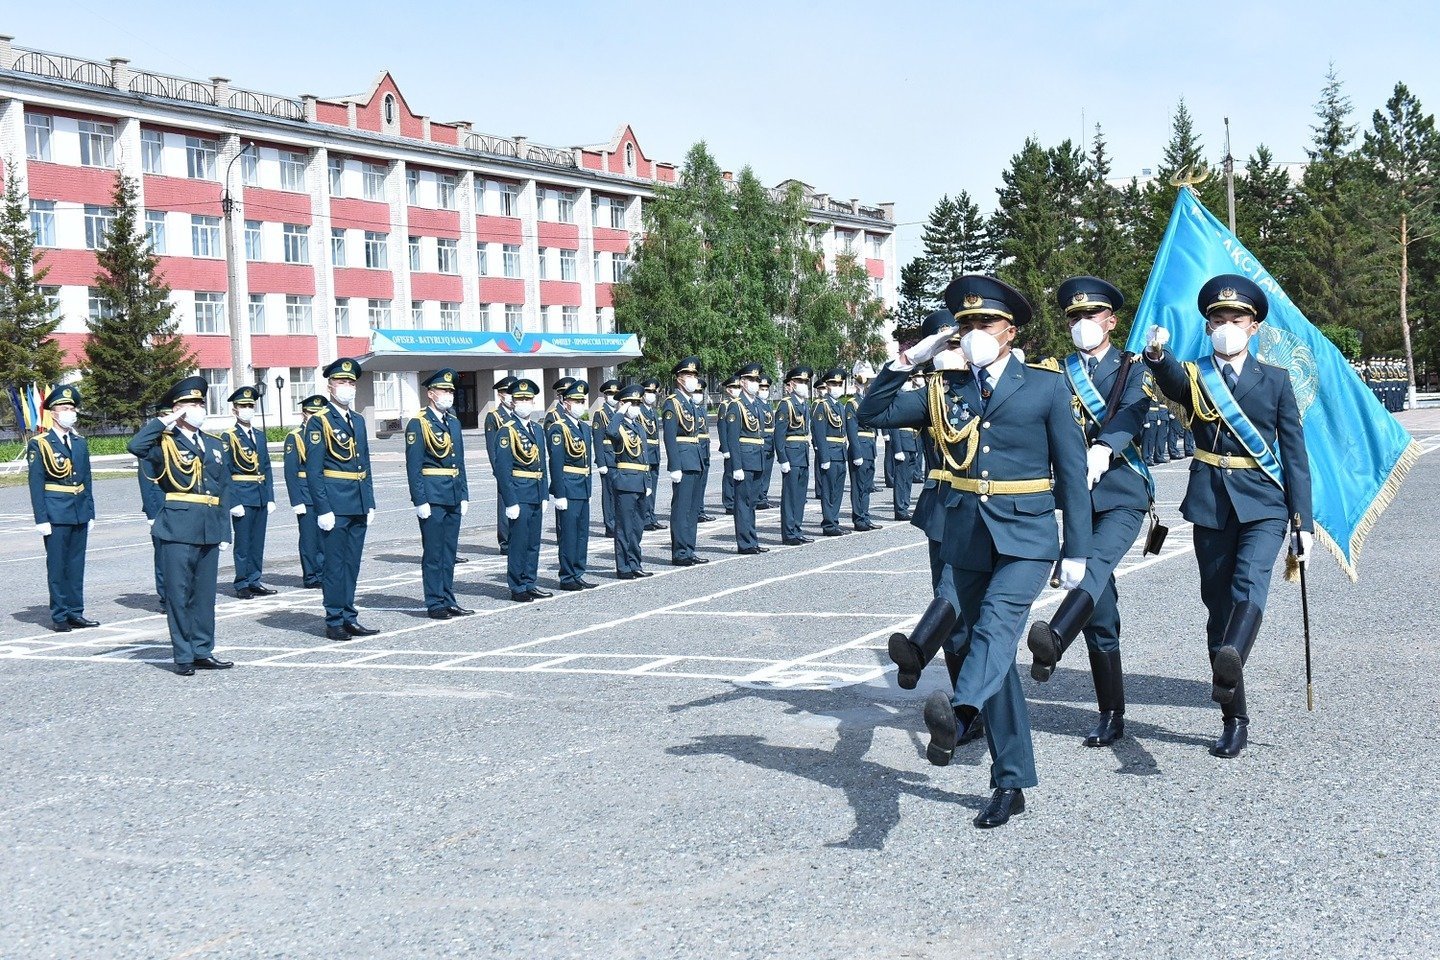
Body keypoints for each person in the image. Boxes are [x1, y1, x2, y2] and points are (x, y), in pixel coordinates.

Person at [860, 277, 1091, 828]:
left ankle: (960, 712)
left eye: (984, 323)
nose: (972, 334)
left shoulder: (1045, 387)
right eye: (964, 325)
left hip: (1027, 540)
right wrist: (911, 359)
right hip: (966, 538)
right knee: (990, 655)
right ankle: (1011, 779)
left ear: (1010, 331)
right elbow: (872, 414)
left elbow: (1075, 474)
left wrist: (1077, 548)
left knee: (995, 629)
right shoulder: (946, 390)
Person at [1143, 273, 1312, 758]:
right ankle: (1232, 713)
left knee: (1249, 585)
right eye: (1217, 318)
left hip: (1264, 502)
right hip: (1211, 501)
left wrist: (1304, 521)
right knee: (1216, 601)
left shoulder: (1276, 380)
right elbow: (1173, 382)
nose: (1225, 325)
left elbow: (1294, 454)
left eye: (1235, 317)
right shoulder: (1196, 373)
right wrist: (1157, 356)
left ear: (1253, 326)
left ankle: (1230, 666)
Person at [1025, 277, 1154, 747]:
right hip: (1077, 499)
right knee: (1100, 609)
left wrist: (1105, 447)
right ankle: (1112, 712)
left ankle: (1056, 636)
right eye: (1074, 318)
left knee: (1092, 566)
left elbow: (1135, 413)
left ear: (1111, 322)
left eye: (1091, 316)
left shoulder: (1132, 368)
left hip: (1121, 493)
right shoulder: (1054, 373)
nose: (1082, 324)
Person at [127, 376, 234, 675]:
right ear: (177, 409)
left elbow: (224, 488)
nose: (197, 408)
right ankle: (183, 655)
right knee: (179, 593)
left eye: (200, 403)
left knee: (204, 596)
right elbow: (135, 446)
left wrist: (225, 530)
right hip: (177, 526)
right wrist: (164, 422)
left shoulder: (214, 444)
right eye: (190, 403)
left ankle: (203, 650)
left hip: (209, 526)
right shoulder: (164, 443)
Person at [305, 357, 379, 641]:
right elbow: (314, 471)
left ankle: (349, 615)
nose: (347, 387)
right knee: (334, 565)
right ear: (330, 385)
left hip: (358, 503)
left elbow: (365, 463)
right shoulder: (319, 422)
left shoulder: (358, 421)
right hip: (335, 505)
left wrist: (369, 500)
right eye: (341, 382)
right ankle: (334, 618)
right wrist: (322, 509)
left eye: (351, 382)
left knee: (352, 564)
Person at [28, 384, 98, 633]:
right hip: (56, 512)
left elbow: (86, 479)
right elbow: (36, 483)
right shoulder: (41, 443)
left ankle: (75, 612)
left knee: (76, 564)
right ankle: (59, 615)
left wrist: (90, 511)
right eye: (65, 408)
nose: (70, 412)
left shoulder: (80, 442)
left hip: (78, 510)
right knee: (58, 565)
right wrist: (41, 518)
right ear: (54, 413)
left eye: (72, 408)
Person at [406, 369, 474, 619]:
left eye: (451, 391)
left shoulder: (453, 422)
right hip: (433, 497)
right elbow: (413, 466)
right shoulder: (419, 423)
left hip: (453, 494)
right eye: (444, 391)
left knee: (448, 552)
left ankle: (448, 597)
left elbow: (460, 461)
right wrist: (419, 499)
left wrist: (464, 493)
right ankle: (435, 602)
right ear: (431, 394)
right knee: (434, 553)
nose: (449, 395)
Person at [495, 378, 550, 602]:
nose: (524, 403)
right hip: (519, 493)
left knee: (533, 542)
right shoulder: (507, 431)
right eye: (520, 399)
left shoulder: (537, 429)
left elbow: (542, 464)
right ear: (513, 401)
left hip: (536, 491)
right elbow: (503, 469)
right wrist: (510, 501)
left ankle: (530, 581)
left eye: (528, 399)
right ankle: (517, 586)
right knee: (518, 543)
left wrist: (545, 493)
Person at [222, 386, 277, 599]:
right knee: (243, 543)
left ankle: (255, 579)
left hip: (260, 494)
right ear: (234, 410)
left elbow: (267, 467)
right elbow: (225, 472)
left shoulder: (260, 436)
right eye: (243, 406)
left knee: (257, 541)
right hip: (242, 494)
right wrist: (232, 501)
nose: (247, 409)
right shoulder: (228, 437)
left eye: (250, 406)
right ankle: (242, 582)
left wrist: (270, 496)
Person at [547, 379, 598, 590]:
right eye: (575, 401)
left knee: (581, 534)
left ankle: (578, 572)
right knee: (568, 535)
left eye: (581, 400)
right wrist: (559, 493)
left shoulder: (584, 428)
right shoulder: (558, 428)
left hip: (582, 487)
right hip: (568, 487)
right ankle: (567, 576)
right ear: (565, 403)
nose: (579, 405)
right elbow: (556, 462)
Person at [663, 357, 710, 566]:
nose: (693, 379)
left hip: (695, 458)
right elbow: (670, 436)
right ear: (679, 379)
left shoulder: (690, 402)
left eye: (694, 376)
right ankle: (680, 552)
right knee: (682, 509)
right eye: (689, 376)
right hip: (683, 460)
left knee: (692, 509)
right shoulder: (672, 403)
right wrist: (674, 466)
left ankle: (689, 549)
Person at [605, 383, 654, 579]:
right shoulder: (619, 426)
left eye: (637, 403)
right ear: (624, 404)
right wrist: (619, 412)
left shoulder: (639, 427)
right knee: (624, 528)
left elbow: (645, 458)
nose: (636, 406)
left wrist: (648, 482)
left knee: (637, 528)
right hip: (625, 482)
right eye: (631, 403)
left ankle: (635, 563)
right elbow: (610, 432)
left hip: (641, 481)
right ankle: (624, 567)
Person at [723, 363, 770, 554]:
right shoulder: (736, 405)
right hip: (744, 459)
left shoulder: (757, 404)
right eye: (751, 380)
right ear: (742, 382)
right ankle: (744, 543)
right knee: (742, 503)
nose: (755, 383)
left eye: (757, 380)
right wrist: (736, 466)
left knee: (752, 502)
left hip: (757, 458)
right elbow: (732, 438)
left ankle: (752, 539)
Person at [283, 394, 328, 589]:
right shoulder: (295, 437)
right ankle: (311, 575)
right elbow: (290, 471)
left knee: (327, 536)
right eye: (312, 413)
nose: (315, 416)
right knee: (310, 538)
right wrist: (296, 500)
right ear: (304, 414)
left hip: (327, 492)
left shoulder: (329, 434)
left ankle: (326, 571)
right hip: (306, 493)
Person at [773, 366, 814, 545]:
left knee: (800, 495)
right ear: (791, 384)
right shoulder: (786, 404)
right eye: (801, 382)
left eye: (806, 382)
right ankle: (789, 533)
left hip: (802, 454)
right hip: (791, 454)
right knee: (790, 496)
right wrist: (782, 458)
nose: (804, 385)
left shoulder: (804, 404)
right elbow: (779, 434)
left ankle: (797, 529)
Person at [811, 367, 850, 537]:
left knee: (838, 490)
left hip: (841, 452)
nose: (837, 387)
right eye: (834, 384)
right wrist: (824, 457)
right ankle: (828, 523)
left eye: (839, 384)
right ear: (827, 386)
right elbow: (819, 433)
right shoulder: (822, 406)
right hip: (830, 453)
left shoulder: (840, 406)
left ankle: (835, 521)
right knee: (828, 490)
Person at [845, 361, 883, 532]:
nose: (870, 384)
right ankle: (859, 518)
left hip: (869, 447)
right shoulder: (852, 404)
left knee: (866, 486)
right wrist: (856, 452)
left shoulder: (869, 401)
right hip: (860, 446)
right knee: (858, 486)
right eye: (868, 381)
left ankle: (865, 516)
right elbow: (852, 431)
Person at [137, 409, 167, 609]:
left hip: (181, 505)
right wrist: (151, 512)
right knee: (163, 554)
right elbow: (146, 481)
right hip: (159, 505)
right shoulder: (151, 447)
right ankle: (166, 596)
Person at [484, 376, 517, 554]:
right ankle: (505, 542)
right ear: (500, 395)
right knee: (505, 504)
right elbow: (492, 448)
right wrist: (498, 471)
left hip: (521, 468)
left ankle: (518, 538)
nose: (511, 396)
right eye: (507, 392)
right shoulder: (494, 417)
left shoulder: (519, 415)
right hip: (505, 468)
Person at [886, 373, 924, 521]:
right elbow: (894, 424)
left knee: (908, 479)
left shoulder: (911, 397)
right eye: (907, 380)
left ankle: (905, 506)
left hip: (913, 442)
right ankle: (900, 509)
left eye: (910, 379)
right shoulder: (898, 398)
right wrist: (898, 449)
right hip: (902, 441)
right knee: (901, 480)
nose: (909, 382)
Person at [591, 379, 621, 538]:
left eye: (615, 394)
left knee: (619, 493)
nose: (613, 397)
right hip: (608, 458)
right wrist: (601, 462)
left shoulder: (621, 412)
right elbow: (597, 439)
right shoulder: (600, 414)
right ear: (605, 395)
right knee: (609, 494)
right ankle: (610, 525)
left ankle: (619, 522)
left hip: (620, 458)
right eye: (610, 394)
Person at [639, 377, 665, 531]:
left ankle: (651, 515)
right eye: (648, 391)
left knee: (653, 488)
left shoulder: (653, 412)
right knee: (645, 488)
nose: (651, 395)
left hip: (654, 453)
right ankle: (644, 518)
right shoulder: (639, 410)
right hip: (644, 453)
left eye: (653, 392)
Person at [717, 375, 742, 515]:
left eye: (738, 387)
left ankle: (736, 500)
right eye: (734, 387)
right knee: (729, 475)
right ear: (728, 389)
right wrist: (725, 448)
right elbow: (722, 428)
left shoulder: (740, 404)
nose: (737, 390)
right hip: (729, 446)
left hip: (739, 446)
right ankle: (729, 502)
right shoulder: (725, 406)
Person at [693, 378, 716, 523]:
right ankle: (695, 511)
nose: (698, 394)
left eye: (700, 391)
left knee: (702, 482)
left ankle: (700, 510)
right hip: (695, 448)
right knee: (695, 483)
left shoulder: (701, 409)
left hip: (704, 447)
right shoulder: (689, 408)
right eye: (696, 391)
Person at [756, 375, 777, 510]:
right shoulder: (756, 404)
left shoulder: (768, 405)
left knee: (767, 472)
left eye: (766, 388)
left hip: (770, 441)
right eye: (761, 388)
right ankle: (758, 498)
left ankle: (763, 496)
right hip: (761, 441)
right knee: (760, 472)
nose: (764, 390)